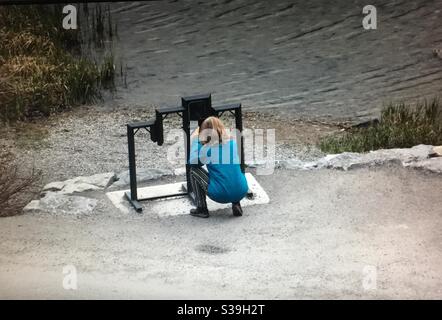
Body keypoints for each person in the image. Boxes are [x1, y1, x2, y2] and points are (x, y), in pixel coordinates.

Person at [188, 116, 248, 218]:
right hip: (242, 190)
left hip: (220, 195)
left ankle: (201, 208)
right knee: (231, 169)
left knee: (193, 171)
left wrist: (196, 141)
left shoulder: (207, 149)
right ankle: (236, 202)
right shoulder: (232, 143)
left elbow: (193, 163)